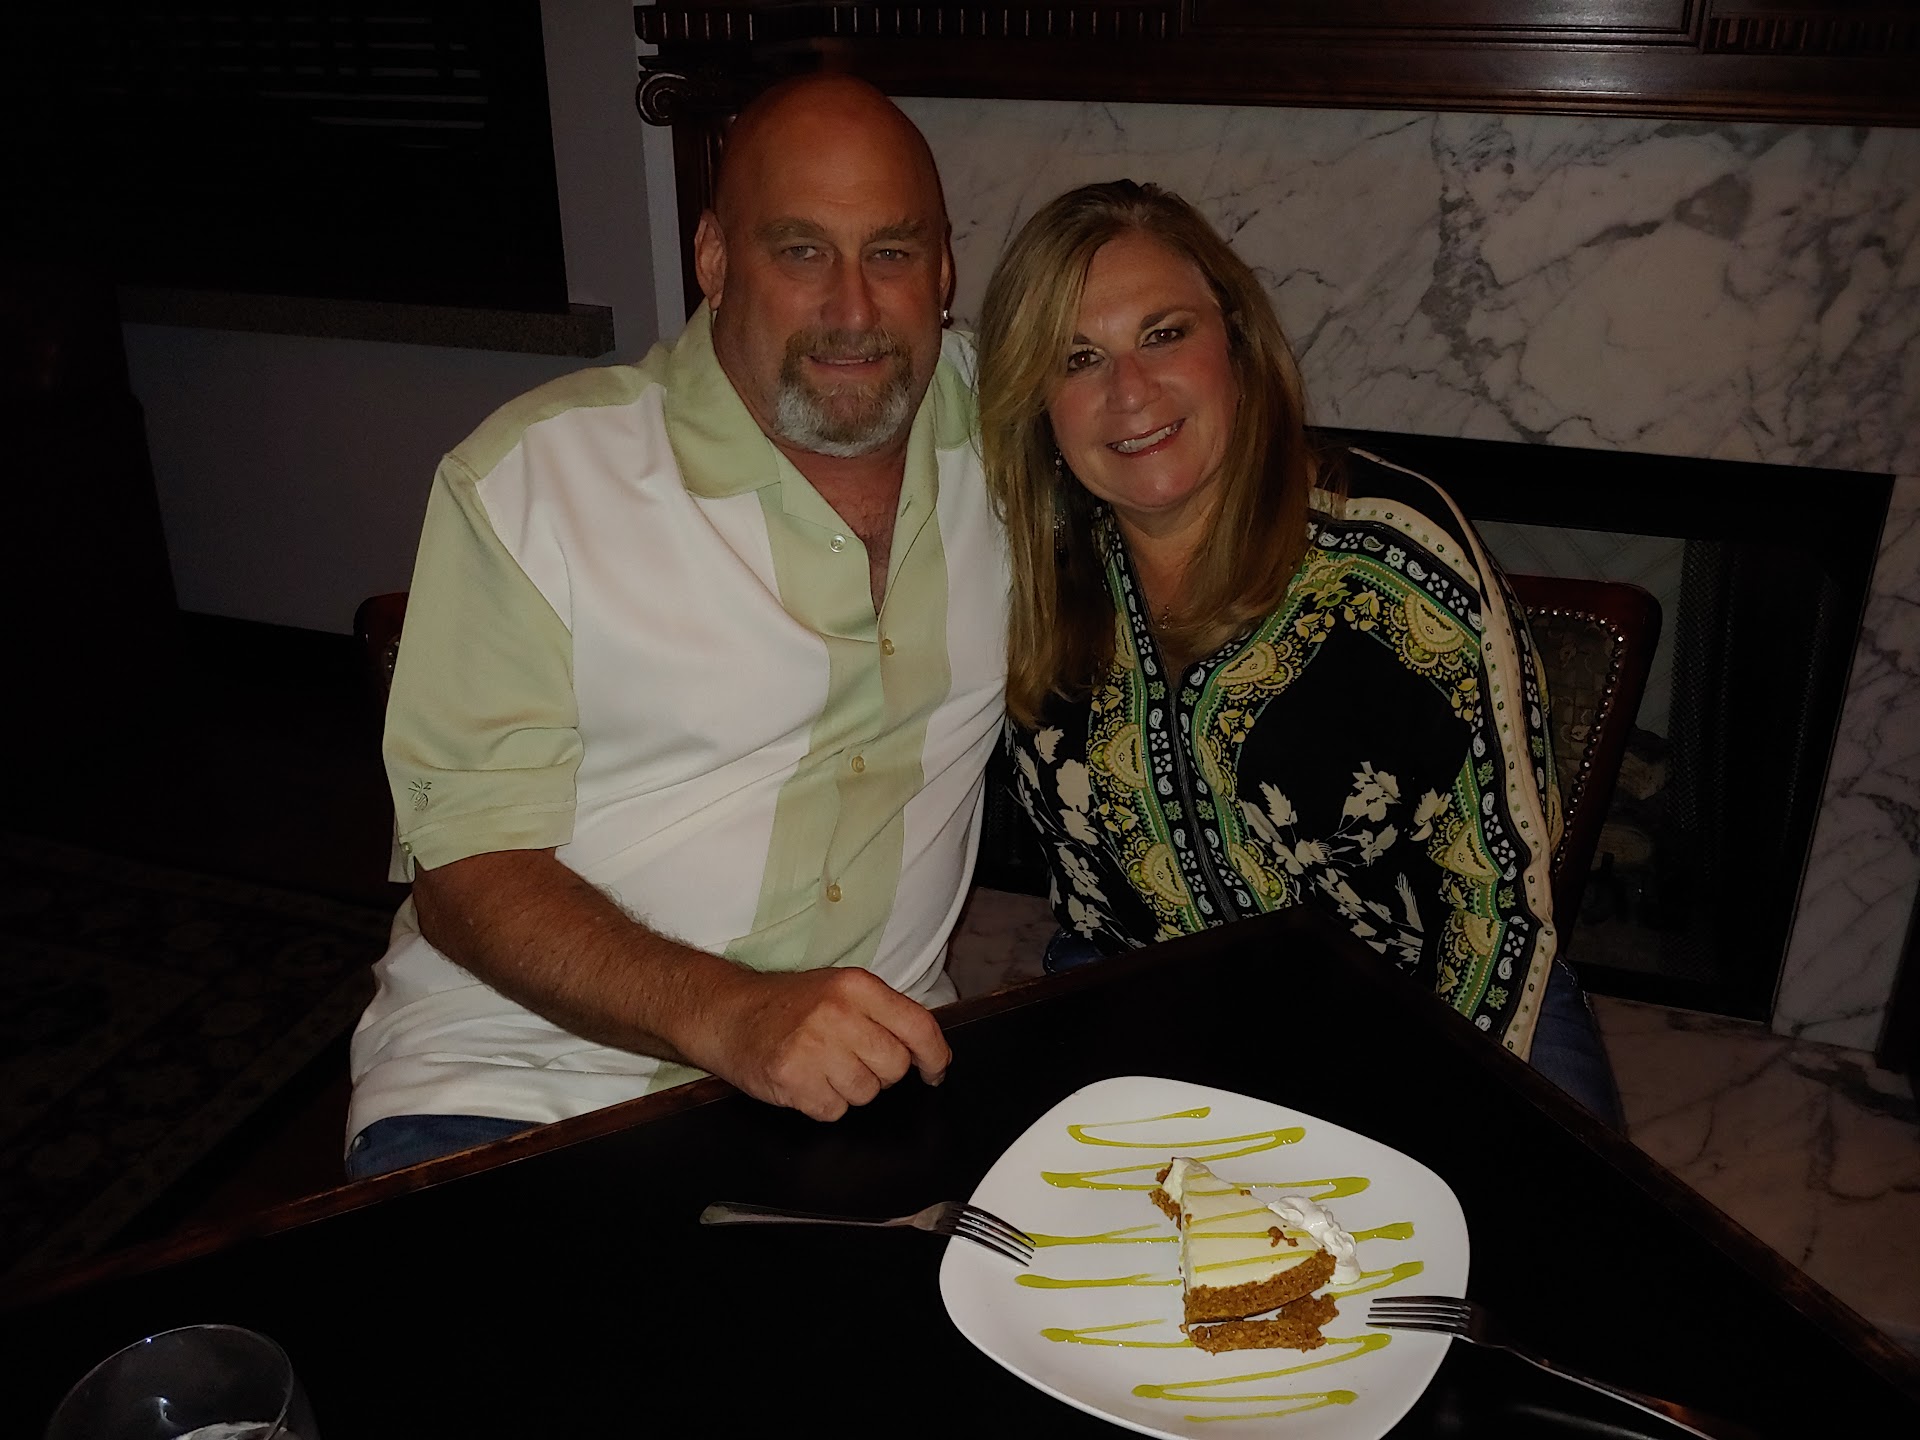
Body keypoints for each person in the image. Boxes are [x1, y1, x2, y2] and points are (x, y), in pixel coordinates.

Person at [346, 76, 1010, 1178]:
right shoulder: (534, 481)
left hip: (871, 1076)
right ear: (713, 258)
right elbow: (465, 870)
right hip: (521, 1084)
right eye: (801, 251)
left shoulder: (1016, 433)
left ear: (943, 270)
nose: (853, 309)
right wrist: (733, 1014)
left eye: (891, 253)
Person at [974, 180, 1622, 1124]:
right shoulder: (1023, 575)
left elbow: (1496, 902)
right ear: (1038, 400)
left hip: (1431, 1005)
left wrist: (1414, 1125)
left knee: (1551, 1207)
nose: (1130, 391)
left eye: (1164, 334)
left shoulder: (1393, 560)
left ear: (1234, 343)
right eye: (1079, 358)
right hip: (1149, 996)